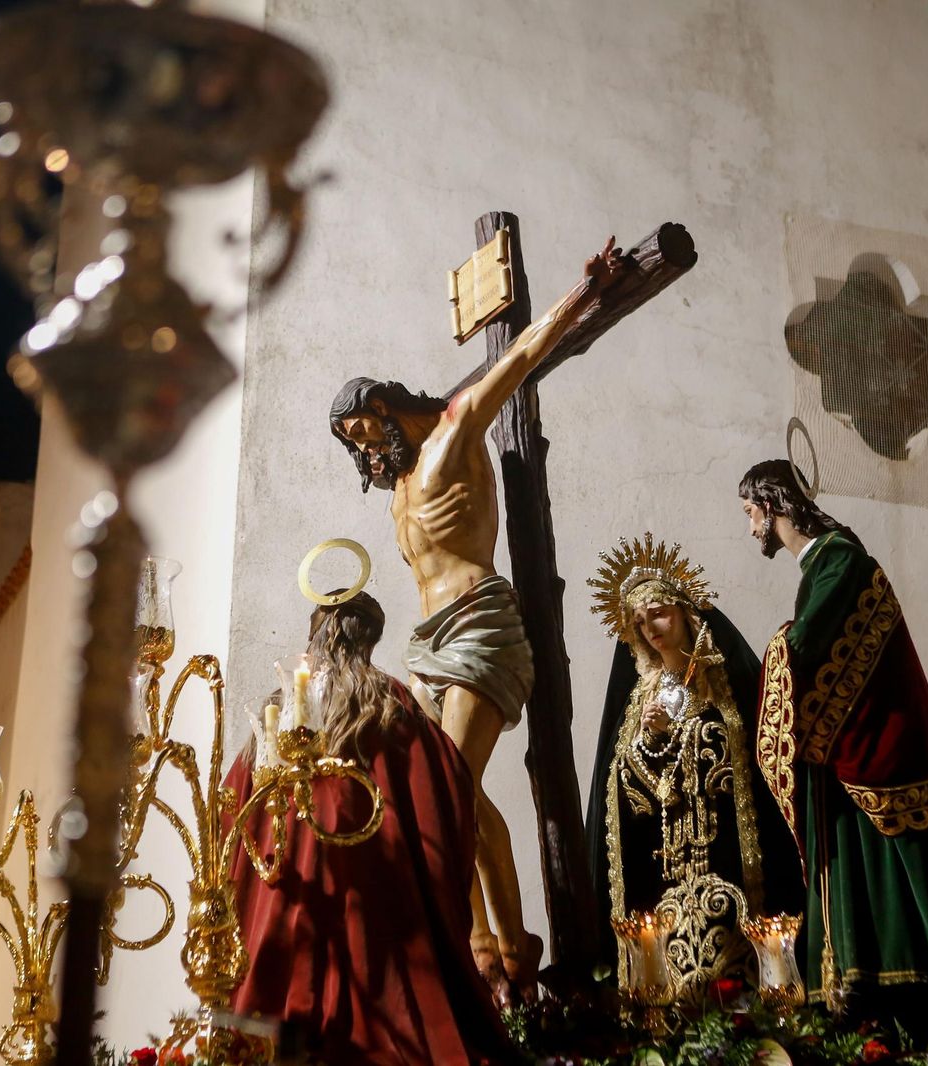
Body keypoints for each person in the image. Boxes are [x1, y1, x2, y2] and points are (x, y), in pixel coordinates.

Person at [328, 235, 628, 991]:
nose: (367, 457)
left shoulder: (457, 432)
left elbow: (519, 355)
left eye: (366, 437)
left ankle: (509, 947)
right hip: (430, 646)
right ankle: (487, 943)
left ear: (384, 409)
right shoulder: (398, 487)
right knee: (439, 790)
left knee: (449, 787)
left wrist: (583, 291)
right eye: (355, 452)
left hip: (480, 625)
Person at [737, 460, 928, 1061]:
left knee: (905, 896)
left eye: (751, 514)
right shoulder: (823, 564)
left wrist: (768, 659)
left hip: (875, 765)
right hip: (844, 769)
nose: (751, 530)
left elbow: (804, 647)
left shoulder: (841, 558)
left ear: (775, 506)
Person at [223, 591, 514, 1066]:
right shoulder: (395, 709)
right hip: (381, 912)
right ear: (371, 640)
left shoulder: (278, 714)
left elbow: (234, 813)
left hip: (286, 899)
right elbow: (445, 795)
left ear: (312, 637)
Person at [584, 534, 803, 1002]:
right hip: (665, 865)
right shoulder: (639, 697)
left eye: (659, 613)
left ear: (685, 609)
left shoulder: (726, 678)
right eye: (640, 622)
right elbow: (621, 785)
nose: (651, 628)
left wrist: (698, 732)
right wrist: (649, 740)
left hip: (729, 854)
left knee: (738, 976)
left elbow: (755, 754)